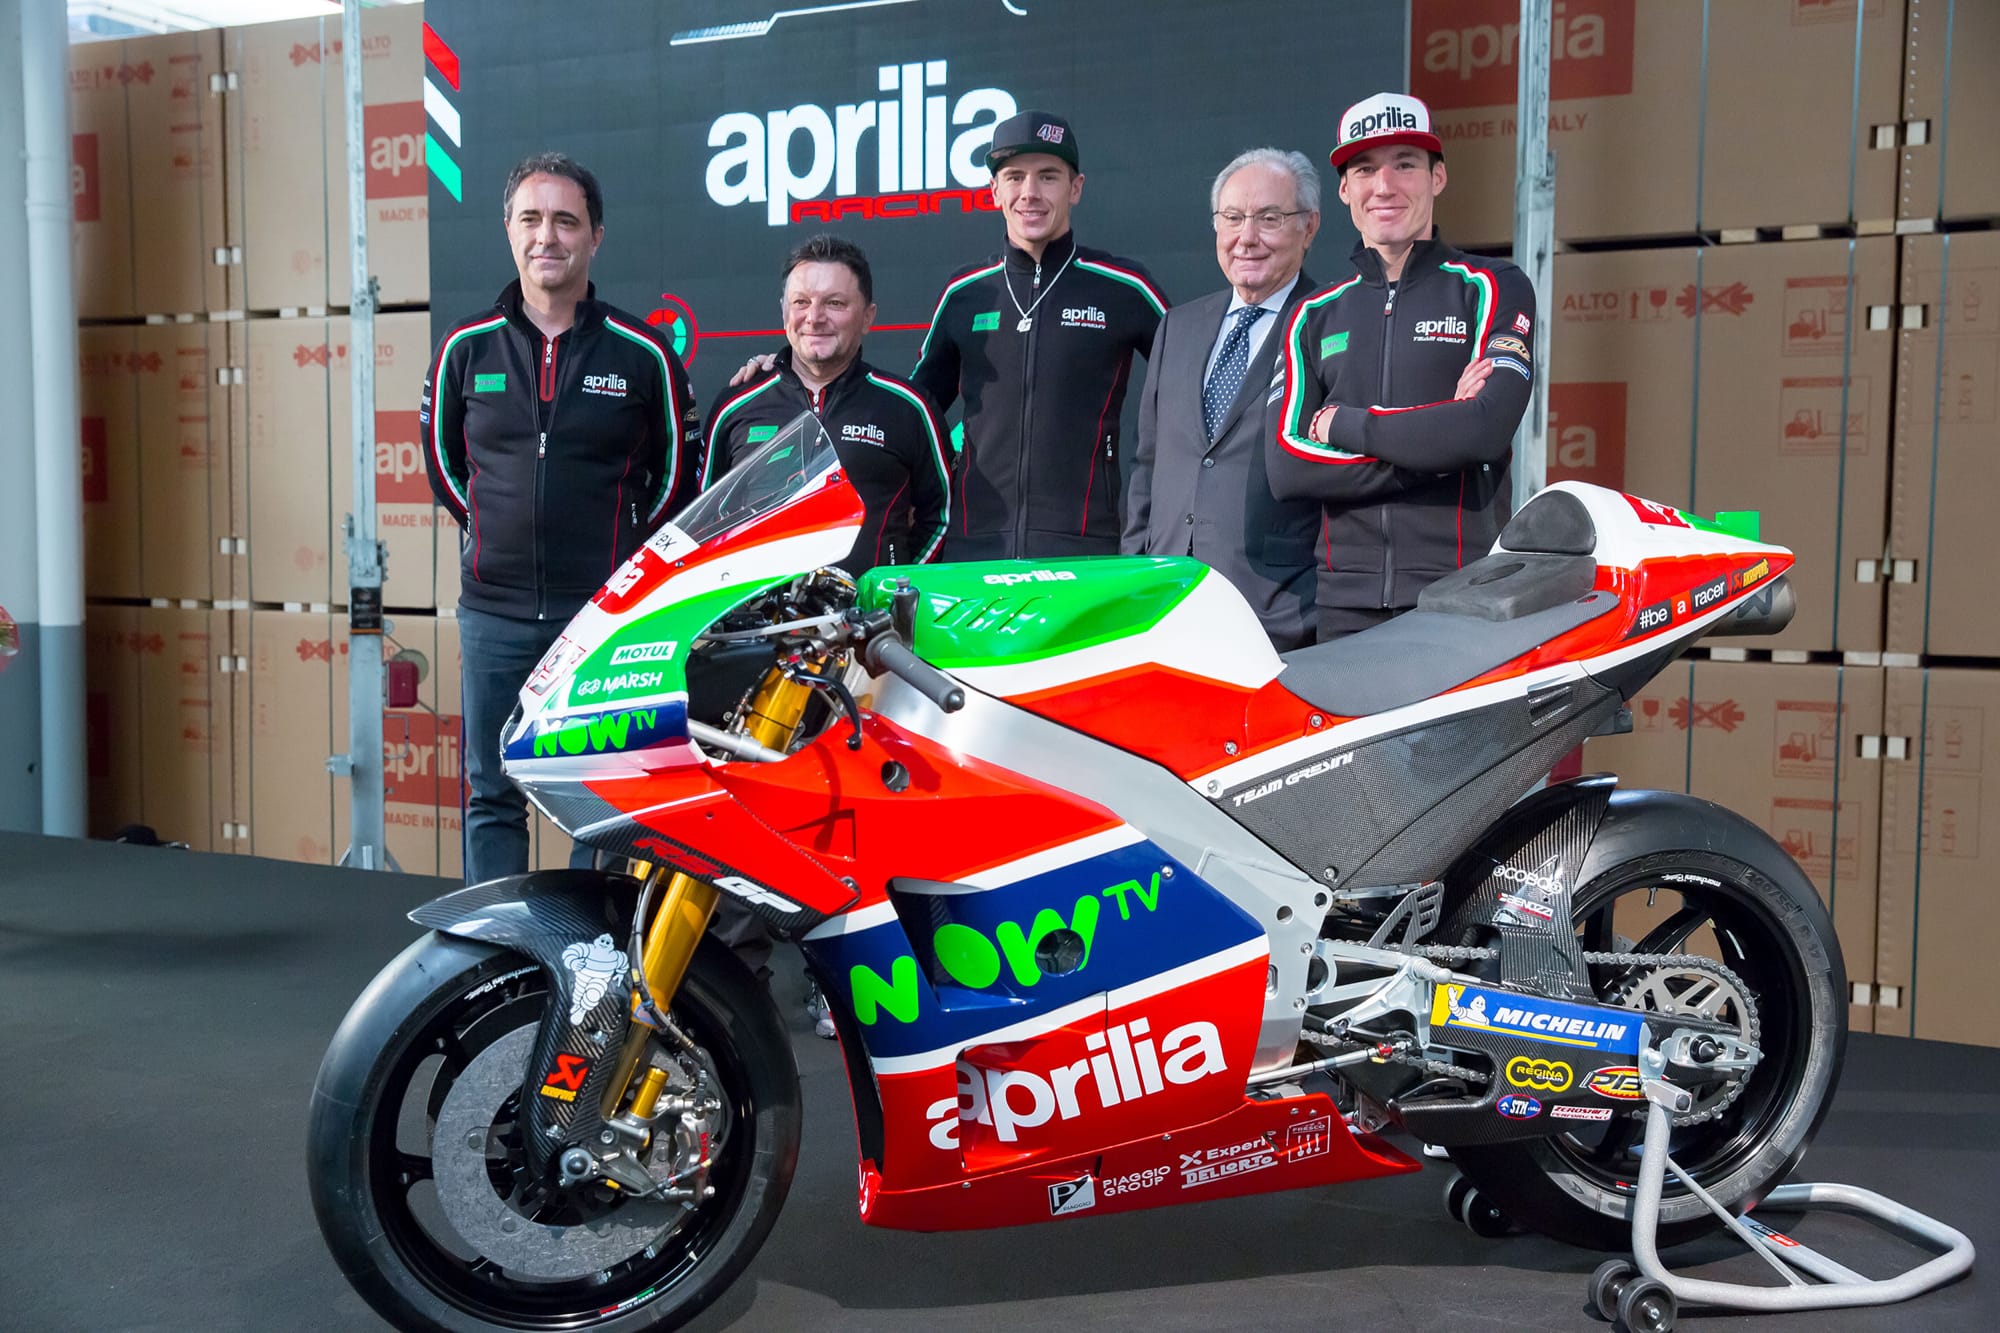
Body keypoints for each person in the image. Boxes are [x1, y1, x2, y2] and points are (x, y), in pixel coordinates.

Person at [422, 152, 701, 883]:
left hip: (602, 617)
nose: (547, 236)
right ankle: (495, 940)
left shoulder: (643, 353)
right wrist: (489, 533)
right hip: (493, 611)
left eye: (566, 221)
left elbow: (678, 475)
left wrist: (626, 563)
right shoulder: (464, 347)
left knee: (601, 797)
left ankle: (591, 938)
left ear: (595, 236)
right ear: (509, 231)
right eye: (532, 219)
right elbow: (444, 466)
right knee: (493, 793)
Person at [1268, 93, 1536, 640]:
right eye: (1365, 169)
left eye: (1405, 164)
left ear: (1438, 177)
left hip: (1464, 599)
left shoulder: (1493, 286)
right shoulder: (1311, 313)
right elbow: (1288, 468)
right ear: (1345, 190)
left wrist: (1344, 425)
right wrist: (1437, 451)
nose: (1384, 186)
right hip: (1343, 607)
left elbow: (1484, 430)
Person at [1123, 148, 1326, 651]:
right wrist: (1134, 575)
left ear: (1308, 227)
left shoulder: (1330, 323)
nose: (1246, 237)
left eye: (1269, 219)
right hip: (1163, 610)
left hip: (1280, 614)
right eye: (1232, 218)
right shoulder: (1178, 326)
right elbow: (1149, 465)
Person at [702, 235, 951, 573]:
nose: (815, 317)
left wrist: (891, 588)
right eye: (801, 302)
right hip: (759, 608)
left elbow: (942, 516)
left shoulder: (908, 406)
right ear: (784, 311)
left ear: (868, 316)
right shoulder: (736, 406)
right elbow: (703, 527)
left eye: (835, 303)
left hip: (871, 608)